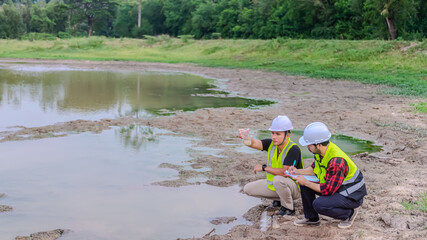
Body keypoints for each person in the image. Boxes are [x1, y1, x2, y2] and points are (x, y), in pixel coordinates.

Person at [288, 122, 367, 228]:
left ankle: (349, 214)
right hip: (337, 187)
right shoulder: (321, 152)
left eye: (309, 144)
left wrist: (306, 182)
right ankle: (312, 218)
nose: (307, 147)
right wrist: (297, 171)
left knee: (319, 204)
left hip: (351, 196)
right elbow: (314, 169)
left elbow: (327, 190)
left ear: (318, 144)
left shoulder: (336, 161)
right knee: (304, 184)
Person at [239, 116, 303, 216]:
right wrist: (246, 137)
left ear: (287, 135)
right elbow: (256, 143)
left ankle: (288, 208)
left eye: (278, 134)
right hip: (276, 185)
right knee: (247, 189)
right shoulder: (271, 144)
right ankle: (277, 200)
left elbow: (284, 172)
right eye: (273, 133)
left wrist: (264, 168)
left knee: (278, 179)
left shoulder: (293, 149)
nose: (274, 137)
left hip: (293, 188)